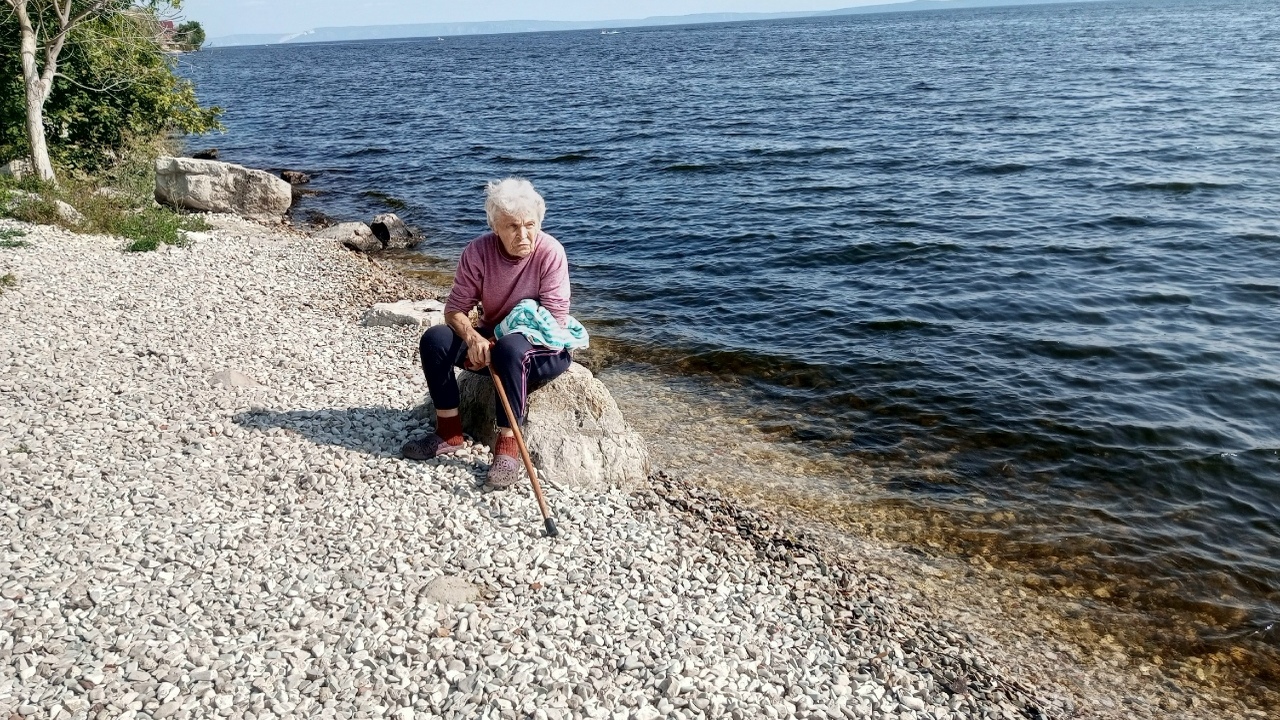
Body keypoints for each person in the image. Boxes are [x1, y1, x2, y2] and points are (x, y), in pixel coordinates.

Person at [402, 177, 575, 489]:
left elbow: (554, 320)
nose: (524, 235)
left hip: (543, 347)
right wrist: (473, 337)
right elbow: (454, 310)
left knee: (510, 348)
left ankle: (507, 450)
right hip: (491, 341)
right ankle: (449, 432)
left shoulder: (551, 253)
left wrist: (494, 341)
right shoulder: (478, 252)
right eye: (512, 227)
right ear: (496, 227)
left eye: (530, 225)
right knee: (435, 340)